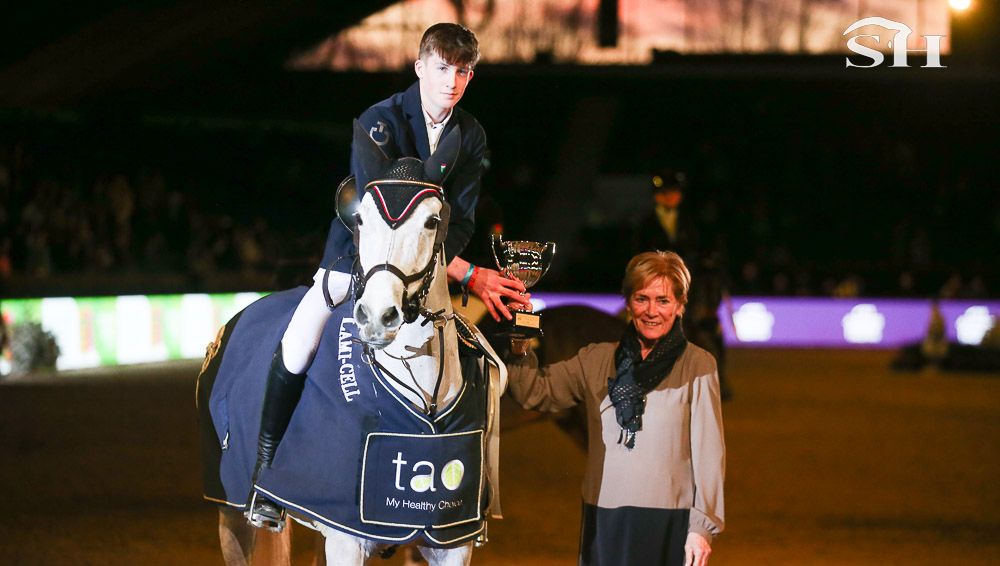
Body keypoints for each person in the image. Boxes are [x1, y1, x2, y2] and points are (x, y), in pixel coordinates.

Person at [245, 23, 528, 530]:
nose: (452, 82)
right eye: (442, 69)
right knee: (300, 336)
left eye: (463, 72)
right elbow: (373, 210)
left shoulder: (472, 135)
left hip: (425, 268)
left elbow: (460, 219)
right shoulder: (380, 122)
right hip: (357, 255)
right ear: (419, 67)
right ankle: (267, 474)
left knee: (490, 369)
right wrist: (470, 273)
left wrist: (441, 269)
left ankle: (471, 489)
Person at [506, 251, 725, 566]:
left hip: (667, 520)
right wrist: (520, 343)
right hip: (603, 517)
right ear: (628, 303)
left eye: (663, 300)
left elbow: (709, 453)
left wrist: (702, 528)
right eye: (642, 299)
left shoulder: (699, 365)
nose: (651, 311)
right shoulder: (595, 359)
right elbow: (535, 393)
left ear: (679, 305)